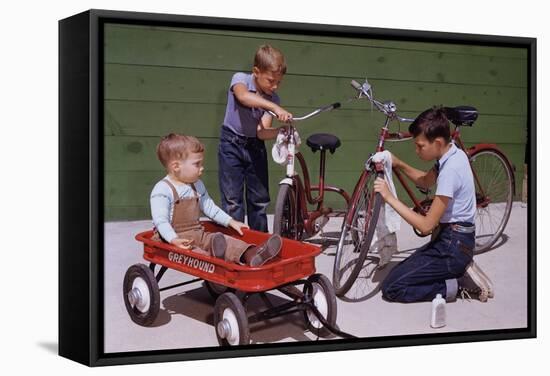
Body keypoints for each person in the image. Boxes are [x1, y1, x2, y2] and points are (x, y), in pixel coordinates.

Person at [373, 106, 491, 302]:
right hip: (452, 240)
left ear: (437, 142)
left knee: (393, 287)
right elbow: (425, 181)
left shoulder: (450, 170)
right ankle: (457, 271)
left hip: (452, 246)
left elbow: (426, 226)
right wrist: (398, 163)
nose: (416, 150)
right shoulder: (452, 152)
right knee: (399, 273)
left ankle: (461, 283)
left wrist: (389, 197)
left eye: (420, 146)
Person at [150, 133, 282, 267]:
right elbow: (161, 221)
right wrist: (173, 239)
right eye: (197, 164)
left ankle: (252, 253)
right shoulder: (162, 190)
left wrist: (231, 222)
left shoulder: (196, 185)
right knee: (196, 254)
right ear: (176, 167)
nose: (202, 168)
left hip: (197, 233)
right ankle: (215, 260)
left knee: (222, 239)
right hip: (172, 237)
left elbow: (210, 208)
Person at [218, 44, 293, 232]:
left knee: (259, 201)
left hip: (255, 147)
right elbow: (243, 97)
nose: (275, 86)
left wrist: (280, 131)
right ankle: (234, 245)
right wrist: (274, 108)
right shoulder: (240, 79)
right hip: (231, 144)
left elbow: (261, 132)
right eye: (270, 81)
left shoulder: (273, 98)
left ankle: (260, 243)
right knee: (232, 201)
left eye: (279, 82)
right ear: (256, 71)